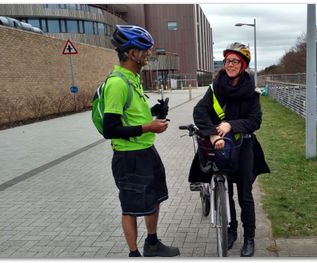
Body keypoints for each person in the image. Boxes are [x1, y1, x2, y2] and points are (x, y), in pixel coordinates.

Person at [103, 24, 179, 257]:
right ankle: (134, 254)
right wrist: (148, 126)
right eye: (144, 50)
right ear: (131, 53)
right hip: (129, 157)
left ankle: (153, 244)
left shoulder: (133, 78)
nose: (148, 54)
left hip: (146, 151)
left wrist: (156, 114)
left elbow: (131, 115)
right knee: (131, 208)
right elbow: (110, 129)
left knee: (154, 197)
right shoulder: (117, 83)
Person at [189, 42, 270, 257]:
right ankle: (231, 230)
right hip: (221, 146)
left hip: (243, 146)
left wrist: (231, 125)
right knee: (227, 191)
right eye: (227, 61)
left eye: (235, 61)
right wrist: (213, 133)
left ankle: (250, 238)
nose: (230, 65)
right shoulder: (216, 87)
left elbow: (255, 121)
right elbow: (199, 111)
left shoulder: (251, 91)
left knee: (245, 194)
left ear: (243, 65)